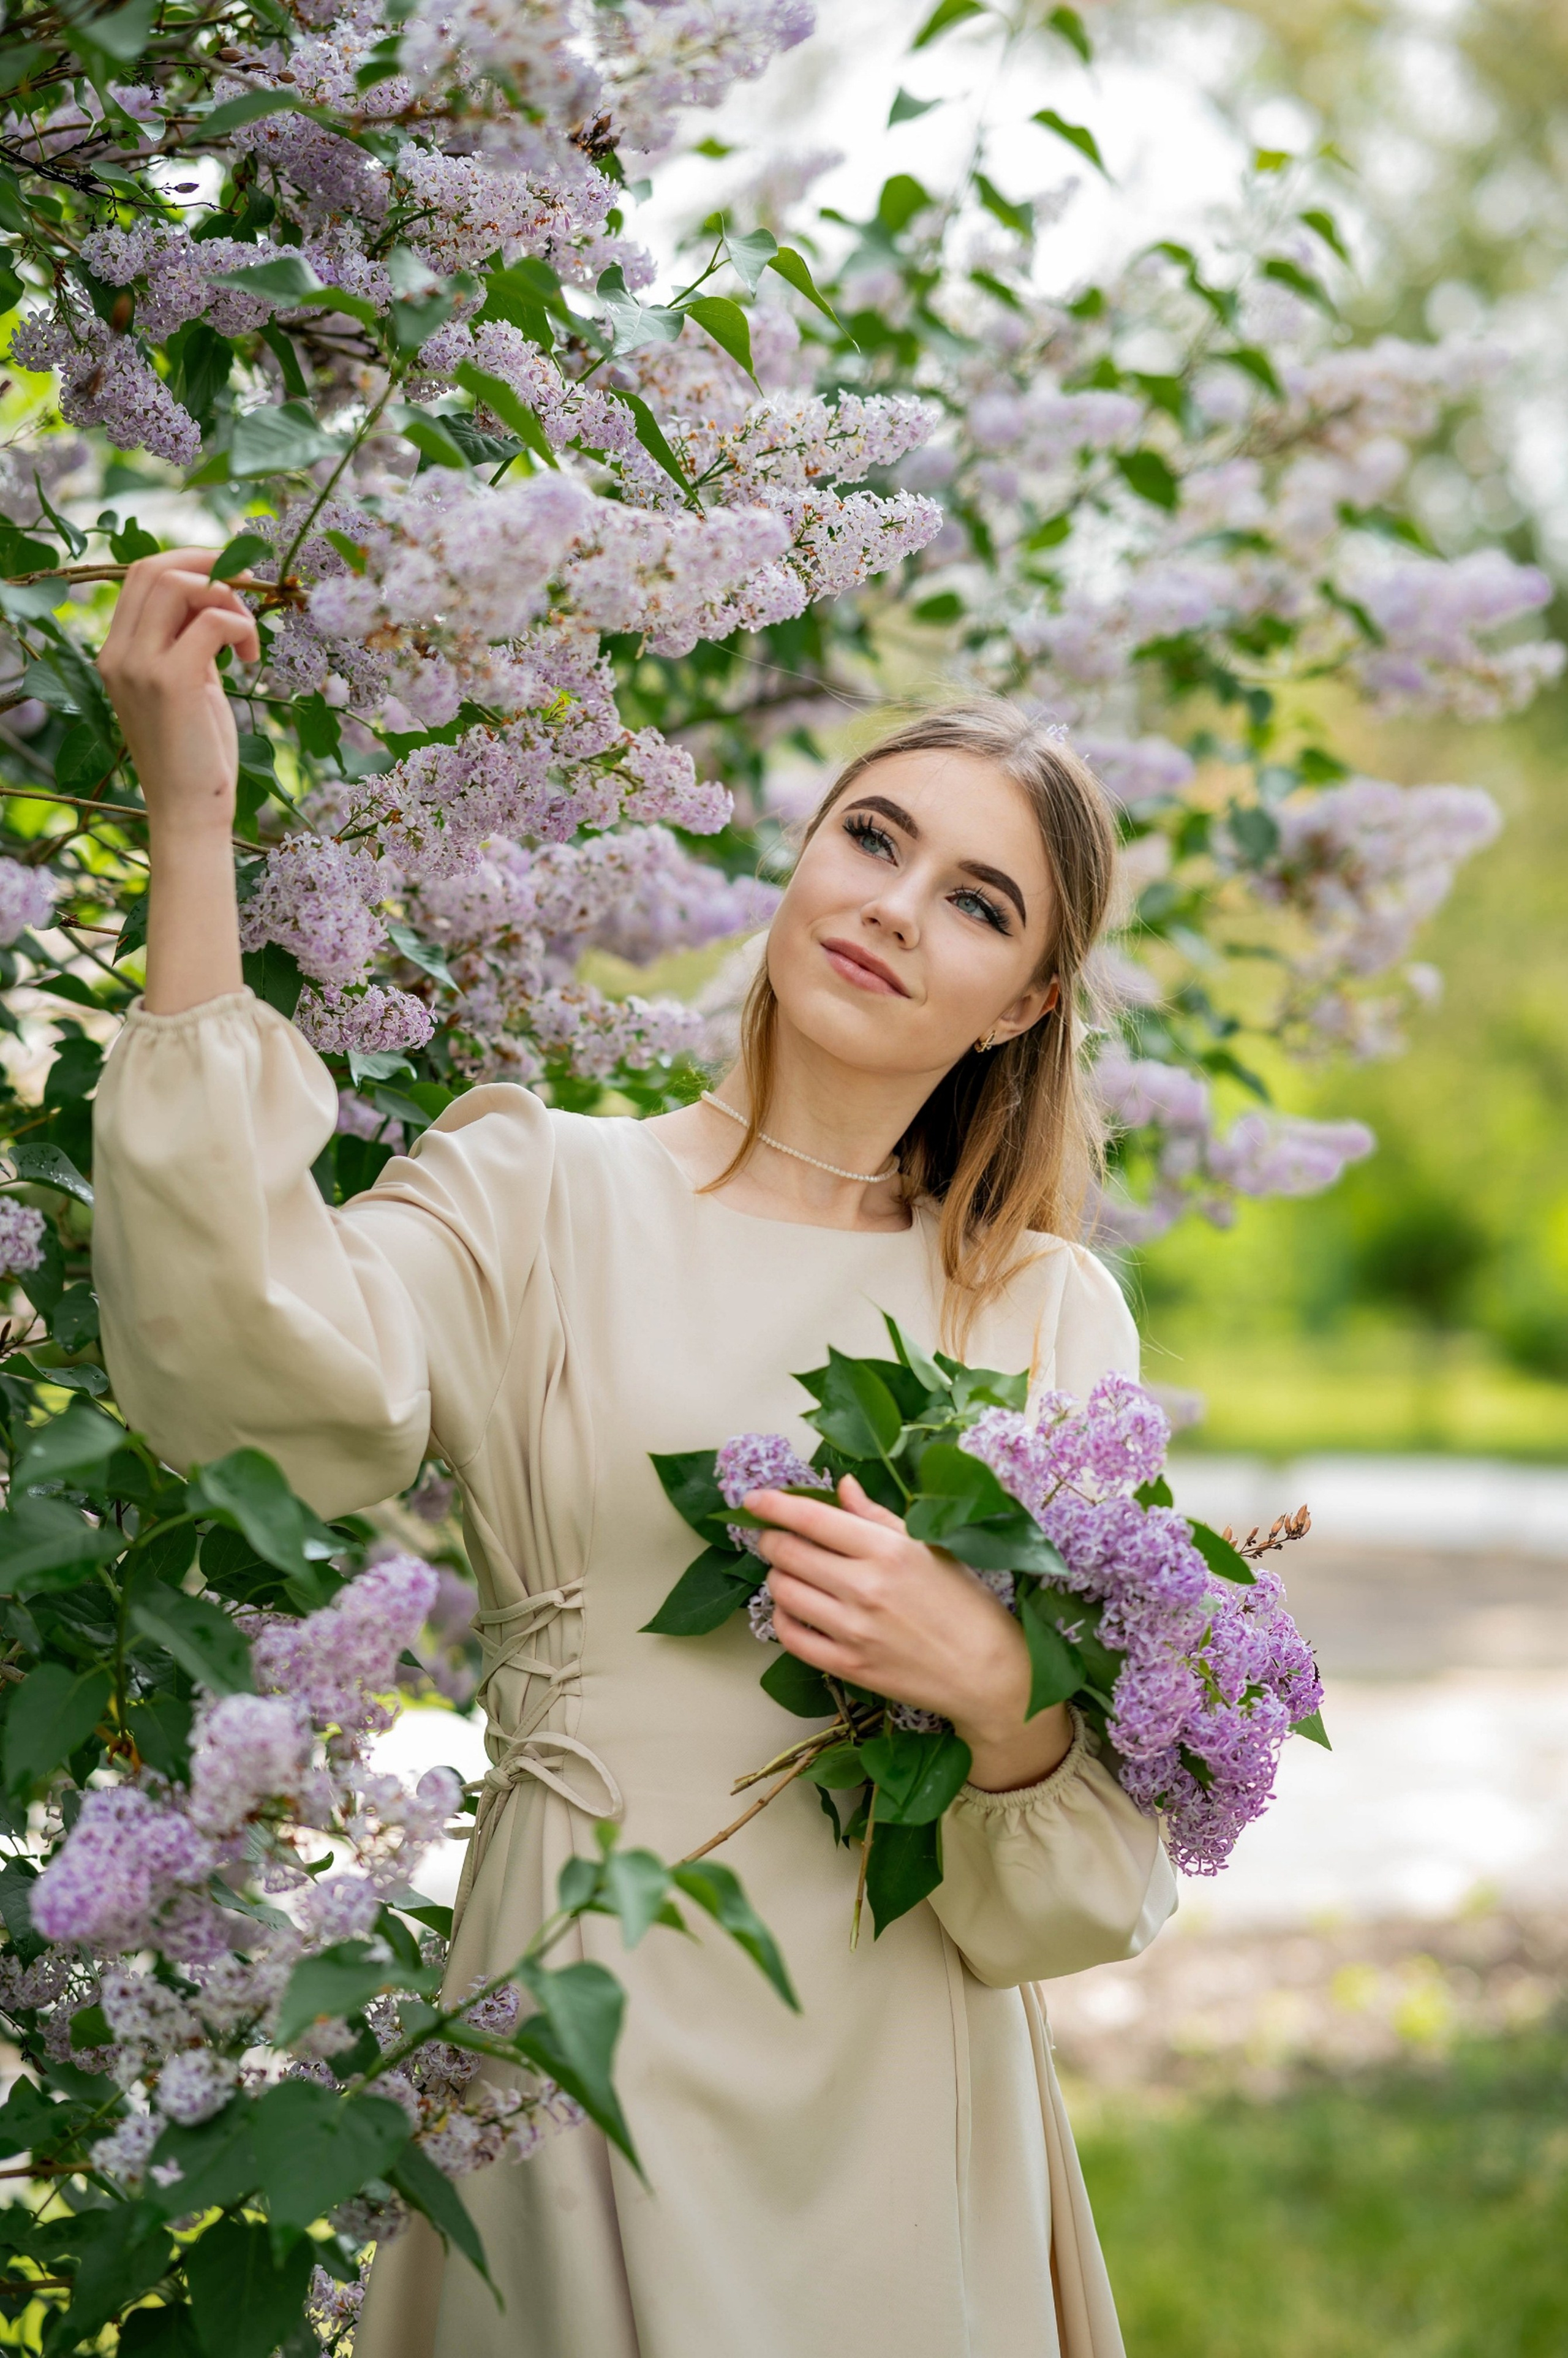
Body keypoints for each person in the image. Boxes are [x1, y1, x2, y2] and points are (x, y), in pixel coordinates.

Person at [92, 550, 1177, 2358]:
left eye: (978, 904)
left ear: (1019, 1003)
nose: (896, 907)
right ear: (802, 857)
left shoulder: (1044, 1315)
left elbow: (1088, 1881)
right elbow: (253, 1356)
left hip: (903, 2087)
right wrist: (191, 821)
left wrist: (999, 1690)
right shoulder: (540, 1189)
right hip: (581, 2020)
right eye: (874, 838)